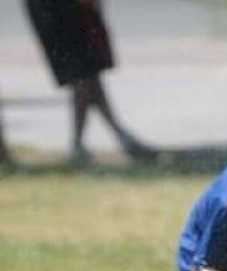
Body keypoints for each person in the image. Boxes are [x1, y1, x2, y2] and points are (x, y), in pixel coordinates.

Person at [24, 0, 156, 164]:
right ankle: (91, 142)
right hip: (64, 10)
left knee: (88, 75)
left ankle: (117, 137)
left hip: (62, 10)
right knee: (84, 75)